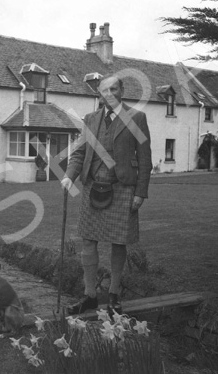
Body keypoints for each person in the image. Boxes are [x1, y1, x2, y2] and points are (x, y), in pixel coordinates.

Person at [61, 73, 152, 315]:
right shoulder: (90, 119)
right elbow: (79, 154)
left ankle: (114, 295)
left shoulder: (137, 118)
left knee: (118, 242)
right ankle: (90, 295)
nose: (109, 94)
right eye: (104, 90)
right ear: (99, 94)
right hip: (93, 186)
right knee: (88, 241)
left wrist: (140, 193)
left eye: (114, 89)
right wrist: (69, 175)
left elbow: (145, 160)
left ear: (121, 90)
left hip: (123, 188)